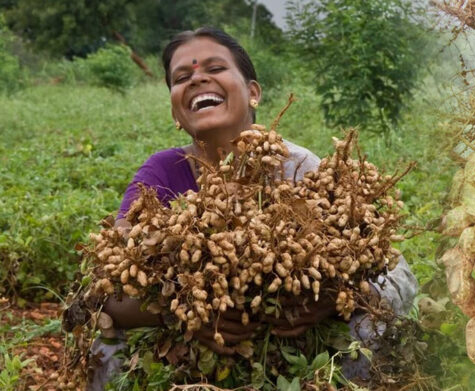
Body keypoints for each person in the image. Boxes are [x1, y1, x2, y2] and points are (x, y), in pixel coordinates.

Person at [90, 27, 417, 390]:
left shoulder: (298, 168)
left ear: (253, 93)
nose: (198, 78)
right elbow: (103, 293)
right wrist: (184, 312)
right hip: (193, 358)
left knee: (367, 323)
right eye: (182, 77)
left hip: (297, 356)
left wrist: (331, 297)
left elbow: (399, 279)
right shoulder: (161, 176)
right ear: (176, 112)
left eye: (214, 68)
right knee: (99, 332)